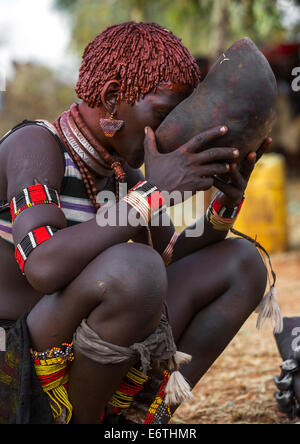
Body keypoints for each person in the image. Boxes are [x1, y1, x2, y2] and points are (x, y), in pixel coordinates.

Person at [0, 21, 271, 424]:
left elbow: (171, 257)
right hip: (15, 366)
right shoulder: (36, 145)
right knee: (134, 271)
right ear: (112, 98)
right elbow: (42, 264)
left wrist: (225, 203)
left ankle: (135, 421)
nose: (168, 132)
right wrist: (151, 195)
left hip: (76, 354)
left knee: (241, 263)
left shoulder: (124, 172)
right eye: (162, 115)